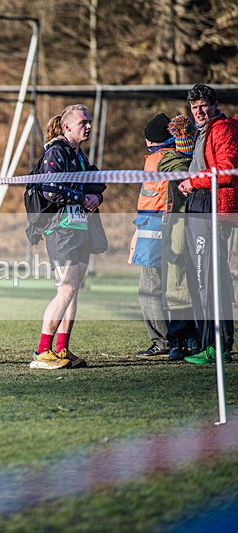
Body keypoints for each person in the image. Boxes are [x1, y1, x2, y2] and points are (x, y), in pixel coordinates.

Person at [30, 104, 105, 370]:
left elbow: (92, 183)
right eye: (83, 122)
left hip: (80, 227)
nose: (88, 126)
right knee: (66, 289)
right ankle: (41, 352)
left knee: (74, 292)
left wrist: (96, 196)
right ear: (67, 126)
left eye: (90, 121)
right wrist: (82, 197)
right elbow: (51, 189)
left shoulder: (78, 154)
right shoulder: (56, 151)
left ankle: (61, 349)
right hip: (60, 229)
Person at [177, 84, 238, 364]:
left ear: (213, 105)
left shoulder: (222, 129)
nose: (198, 111)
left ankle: (218, 345)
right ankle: (211, 343)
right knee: (201, 276)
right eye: (193, 107)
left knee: (208, 277)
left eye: (202, 105)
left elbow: (225, 172)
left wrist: (194, 182)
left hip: (210, 205)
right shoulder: (202, 131)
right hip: (198, 202)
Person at [128, 113, 174, 358]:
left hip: (153, 230)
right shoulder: (181, 155)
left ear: (150, 140)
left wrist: (138, 230)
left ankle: (161, 340)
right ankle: (180, 339)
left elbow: (150, 199)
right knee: (173, 286)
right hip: (172, 229)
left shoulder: (156, 160)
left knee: (149, 289)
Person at [157, 115, 200, 361]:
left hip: (196, 222)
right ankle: (177, 339)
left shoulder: (193, 161)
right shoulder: (172, 161)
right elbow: (178, 170)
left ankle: (191, 336)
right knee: (176, 282)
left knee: (193, 279)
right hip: (176, 225)